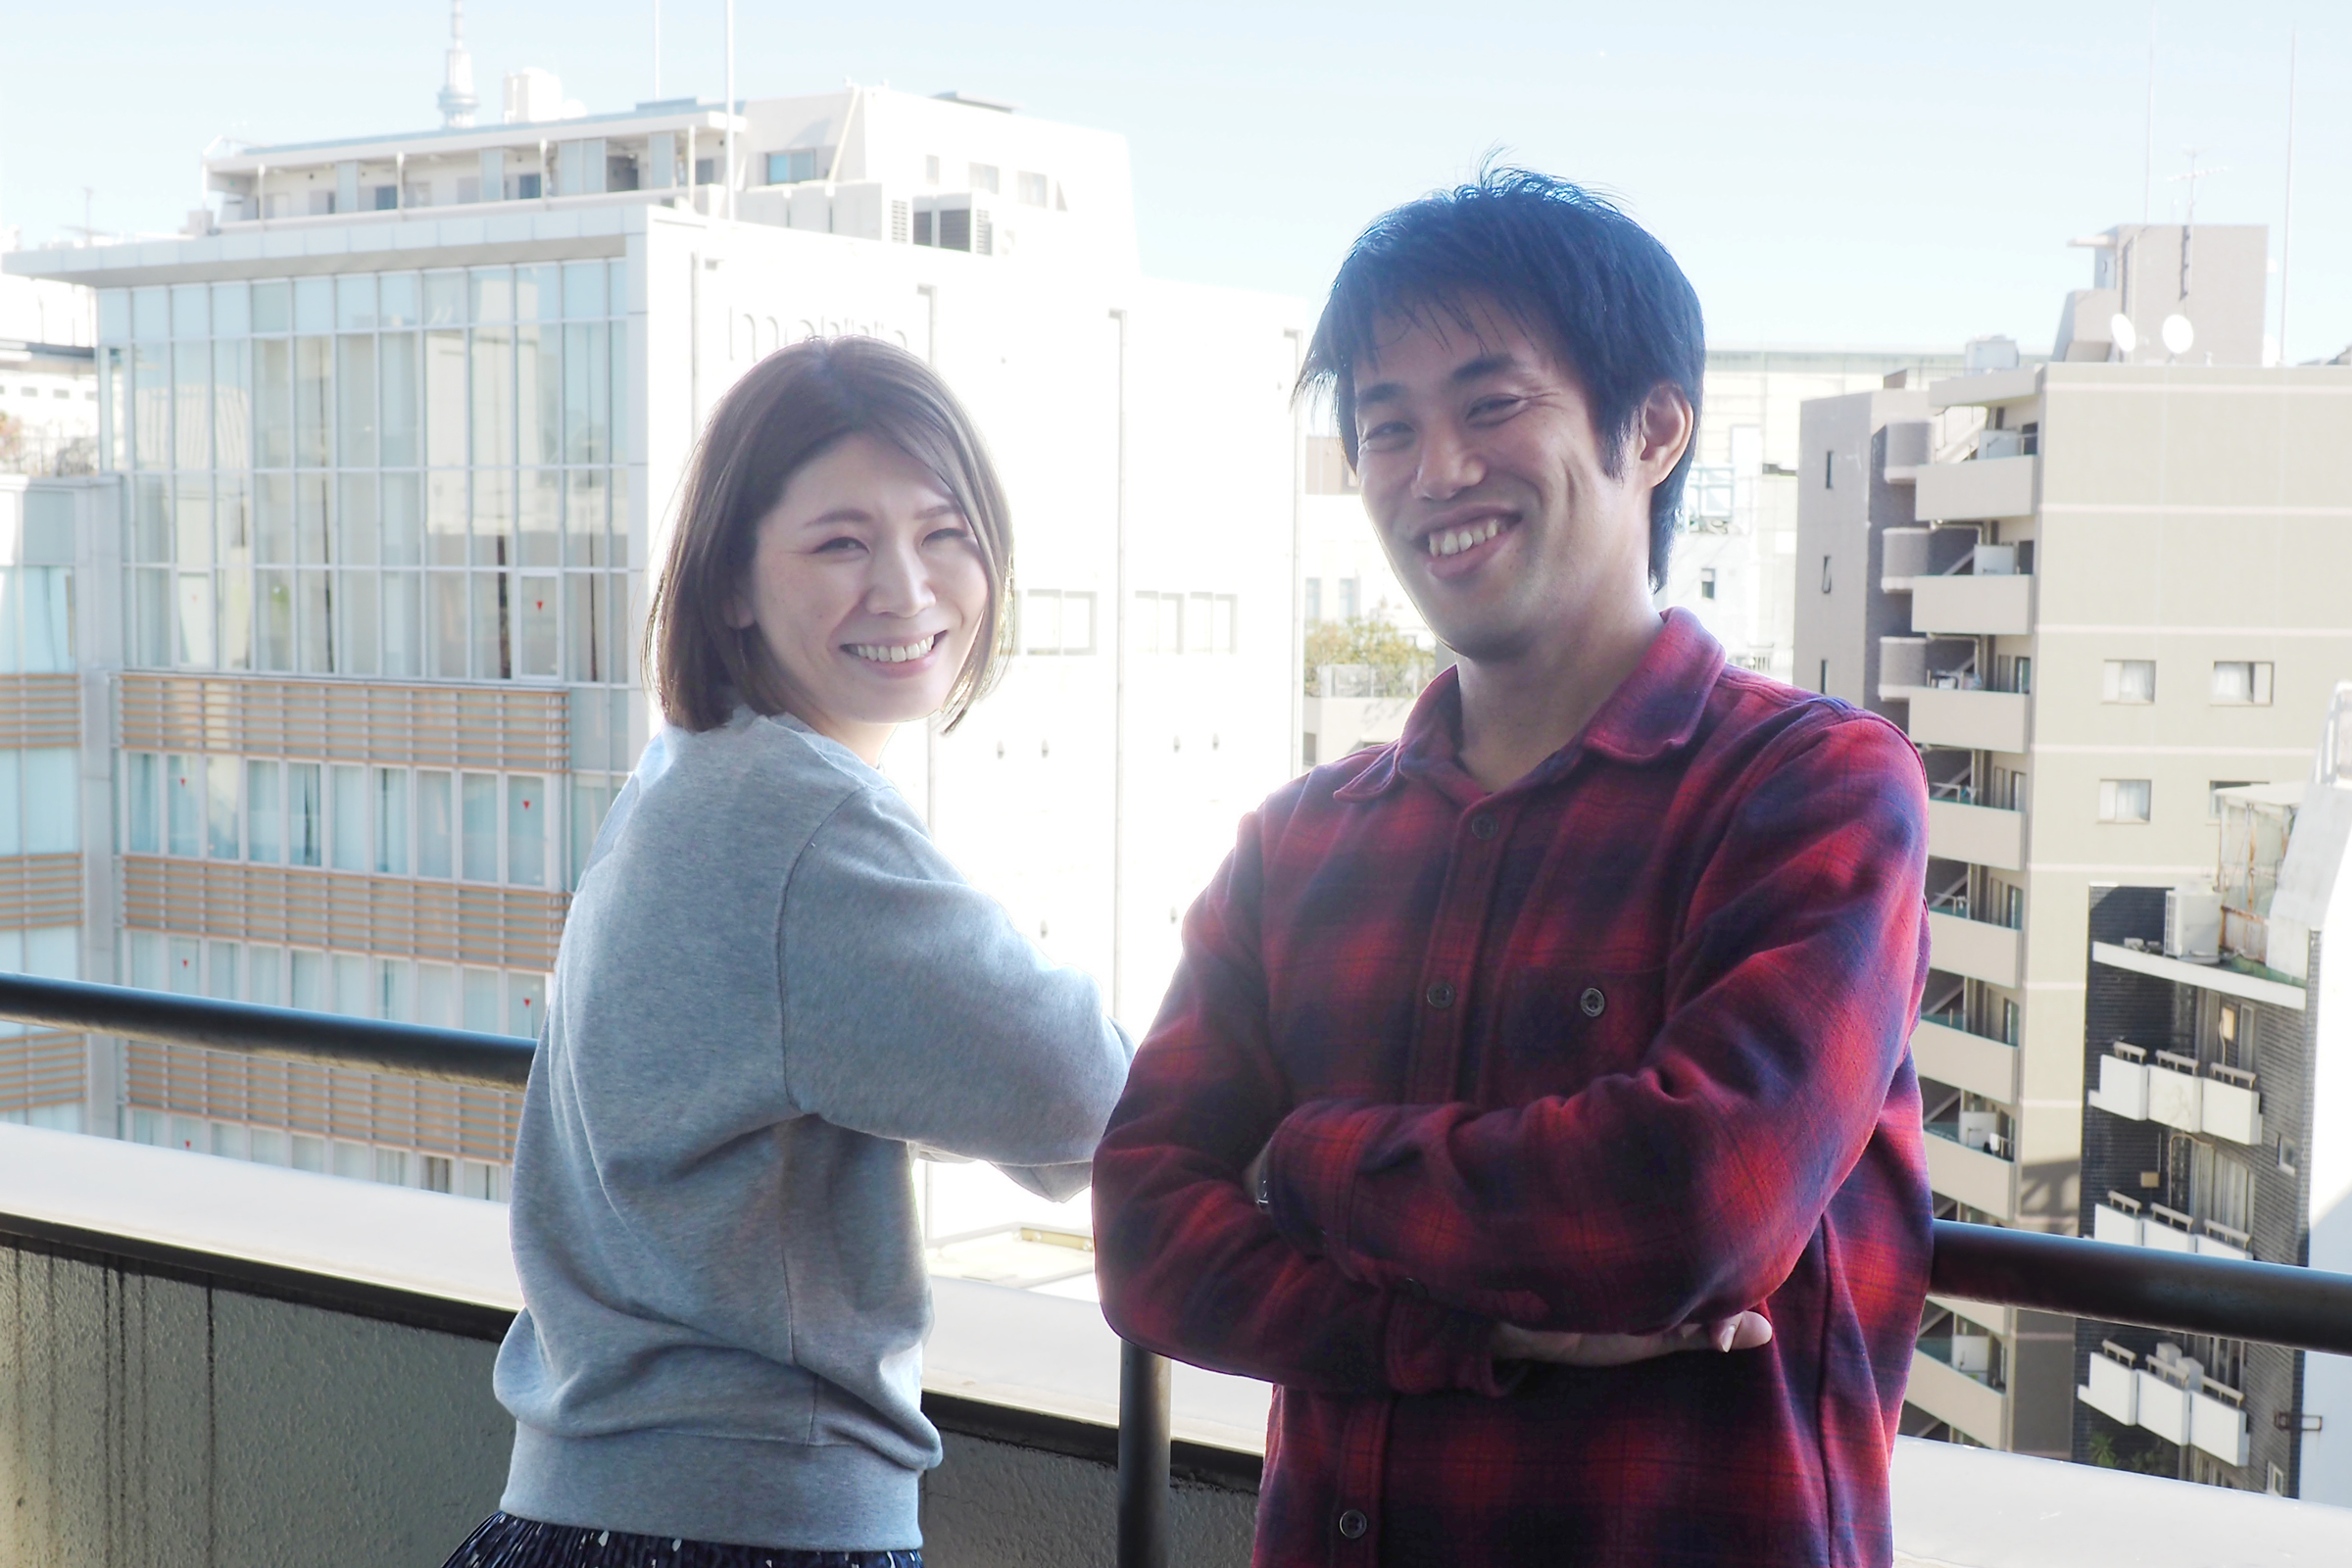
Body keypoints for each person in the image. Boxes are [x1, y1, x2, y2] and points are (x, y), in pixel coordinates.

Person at [1093, 171, 1933, 1567]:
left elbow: (1694, 1202)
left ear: (1651, 428)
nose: (1434, 471)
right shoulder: (1297, 843)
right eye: (1387, 427)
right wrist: (1470, 1326)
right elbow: (1143, 1235)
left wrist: (1297, 1160)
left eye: (1491, 406)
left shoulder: (1811, 789)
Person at [442, 337, 1133, 1568]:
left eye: (945, 531)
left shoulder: (692, 769)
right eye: (841, 543)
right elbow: (1087, 1093)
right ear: (731, 585)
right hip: (738, 1527)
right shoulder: (801, 819)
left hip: (587, 1509)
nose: (908, 588)